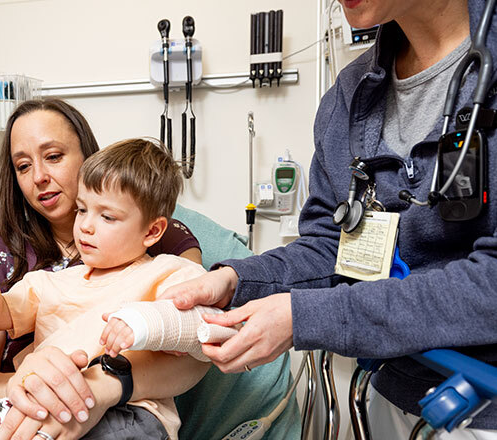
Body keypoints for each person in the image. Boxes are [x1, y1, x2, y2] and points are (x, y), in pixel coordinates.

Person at [160, 0, 497, 438]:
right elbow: (331, 246)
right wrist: (237, 281)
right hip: (394, 395)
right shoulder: (350, 95)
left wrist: (305, 318)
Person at [0, 138, 212, 439]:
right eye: (82, 210)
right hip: (33, 404)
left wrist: (143, 323)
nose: (86, 226)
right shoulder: (51, 282)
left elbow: (203, 327)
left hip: (128, 414)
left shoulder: (168, 271)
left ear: (152, 231)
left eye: (106, 217)